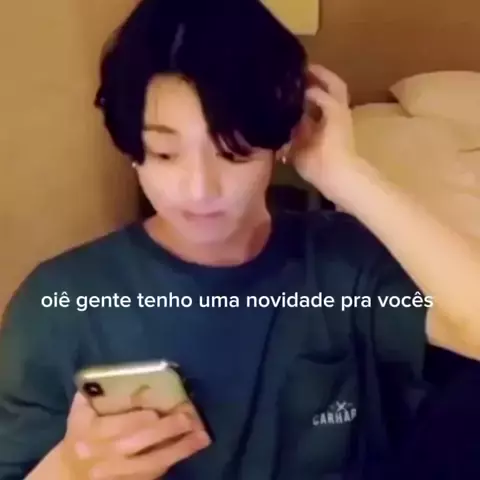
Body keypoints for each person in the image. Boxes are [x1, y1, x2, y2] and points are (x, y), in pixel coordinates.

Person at [1, 0, 480, 479]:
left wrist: (347, 175)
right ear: (133, 149)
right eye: (165, 153)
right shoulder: (59, 305)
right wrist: (69, 469)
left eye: (235, 152)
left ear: (279, 141)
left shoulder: (344, 262)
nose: (200, 189)